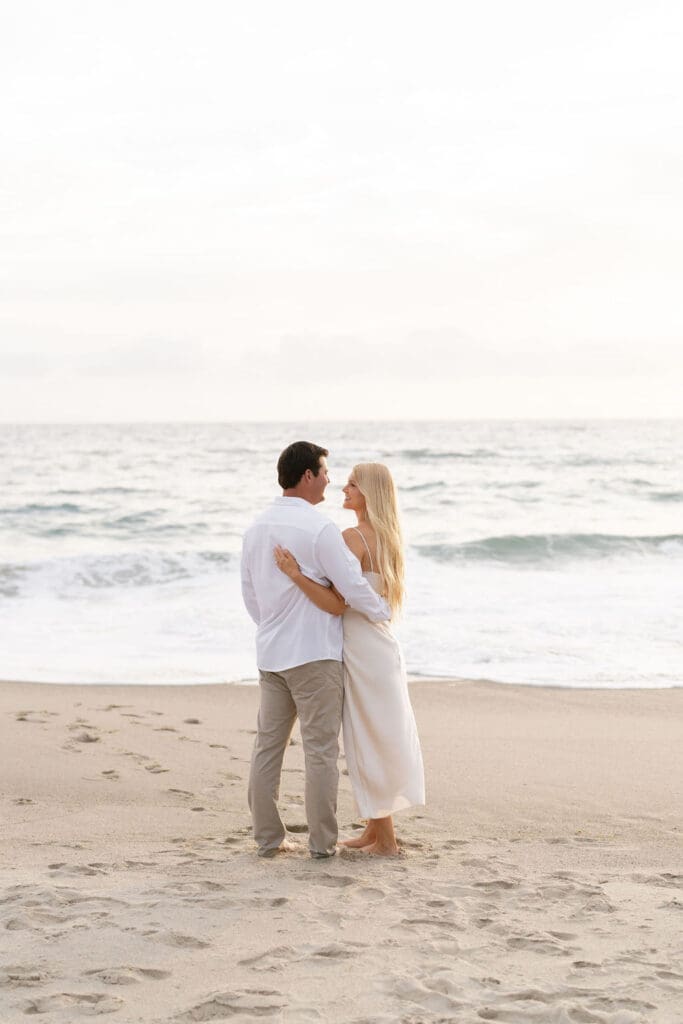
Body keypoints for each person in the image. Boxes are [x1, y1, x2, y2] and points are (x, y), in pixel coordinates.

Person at [241, 441, 390, 859]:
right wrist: (381, 610)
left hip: (271, 655)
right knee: (321, 751)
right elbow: (352, 585)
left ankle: (268, 839)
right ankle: (322, 844)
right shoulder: (319, 529)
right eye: (324, 471)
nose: (329, 479)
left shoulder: (255, 528)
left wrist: (273, 627)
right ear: (307, 475)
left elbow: (250, 596)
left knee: (267, 747)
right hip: (314, 656)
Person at [274, 462, 425, 856]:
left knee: (365, 737)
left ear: (369, 493)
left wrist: (294, 573)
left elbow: (334, 602)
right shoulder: (389, 538)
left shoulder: (351, 537)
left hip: (360, 649)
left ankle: (386, 840)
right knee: (374, 734)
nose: (345, 488)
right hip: (381, 646)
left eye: (354, 484)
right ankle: (376, 832)